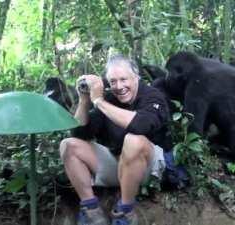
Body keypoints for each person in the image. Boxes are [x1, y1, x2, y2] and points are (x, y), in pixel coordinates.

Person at [59, 54, 171, 225]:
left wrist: (100, 102)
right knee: (68, 145)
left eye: (123, 79)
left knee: (133, 141)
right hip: (117, 166)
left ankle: (125, 211)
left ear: (136, 77)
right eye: (113, 82)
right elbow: (79, 134)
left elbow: (140, 126)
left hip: (148, 168)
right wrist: (84, 101)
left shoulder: (153, 96)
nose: (119, 86)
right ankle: (92, 211)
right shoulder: (110, 100)